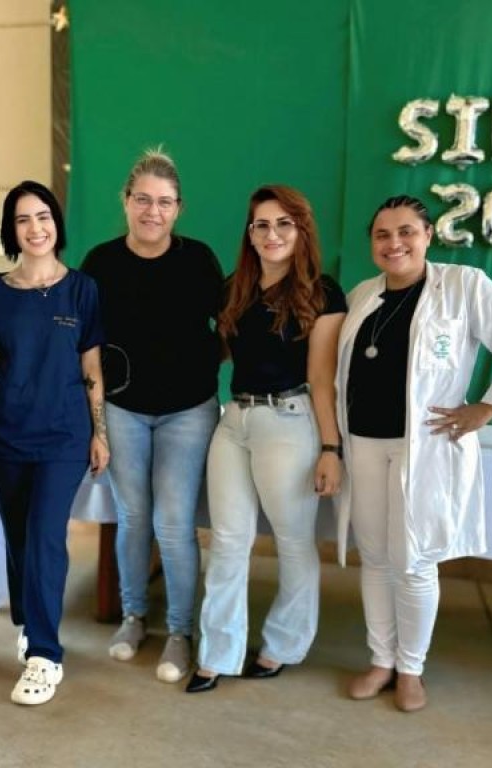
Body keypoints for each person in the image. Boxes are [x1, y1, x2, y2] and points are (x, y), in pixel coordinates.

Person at [336, 195, 492, 712]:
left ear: (428, 235)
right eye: (382, 234)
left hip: (426, 448)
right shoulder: (362, 295)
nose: (394, 243)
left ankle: (411, 668)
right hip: (363, 445)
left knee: (414, 560)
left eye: (406, 231)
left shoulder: (462, 286)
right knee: (376, 557)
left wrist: (489, 406)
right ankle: (381, 660)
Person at [186, 184, 346, 694]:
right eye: (261, 225)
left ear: (300, 230)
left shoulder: (322, 293)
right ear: (250, 233)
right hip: (234, 420)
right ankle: (217, 653)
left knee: (292, 541)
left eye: (283, 224)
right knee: (228, 539)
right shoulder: (234, 288)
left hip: (289, 421)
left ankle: (282, 645)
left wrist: (330, 448)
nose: (271, 234)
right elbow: (221, 352)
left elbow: (322, 379)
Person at [81, 148, 223, 684]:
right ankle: (134, 616)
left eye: (164, 202)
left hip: (188, 411)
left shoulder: (198, 260)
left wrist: (198, 368)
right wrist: (97, 424)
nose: (152, 211)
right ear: (125, 201)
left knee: (173, 522)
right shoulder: (100, 263)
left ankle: (181, 632)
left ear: (178, 208)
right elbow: (87, 349)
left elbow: (228, 329)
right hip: (122, 410)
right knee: (134, 517)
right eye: (142, 199)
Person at [0, 181, 108, 705]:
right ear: (12, 230)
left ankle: (45, 656)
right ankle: (30, 622)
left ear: (56, 223)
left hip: (64, 435)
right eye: (22, 219)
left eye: (43, 216)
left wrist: (100, 432)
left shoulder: (82, 290)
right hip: (6, 435)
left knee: (47, 535)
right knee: (20, 537)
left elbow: (91, 365)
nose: (35, 227)